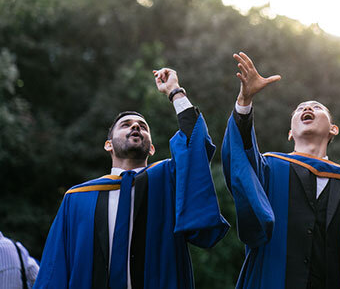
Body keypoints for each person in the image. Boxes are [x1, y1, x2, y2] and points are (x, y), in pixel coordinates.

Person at [34, 68, 229, 289]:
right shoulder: (77, 199)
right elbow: (55, 269)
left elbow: (194, 146)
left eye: (143, 127)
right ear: (108, 145)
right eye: (126, 125)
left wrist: (175, 91)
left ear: (152, 148)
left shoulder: (167, 180)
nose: (135, 126)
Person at [222, 52, 340, 289]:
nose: (307, 108)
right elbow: (240, 161)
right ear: (290, 133)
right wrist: (244, 102)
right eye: (300, 109)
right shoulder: (270, 169)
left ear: (333, 129)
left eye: (317, 107)